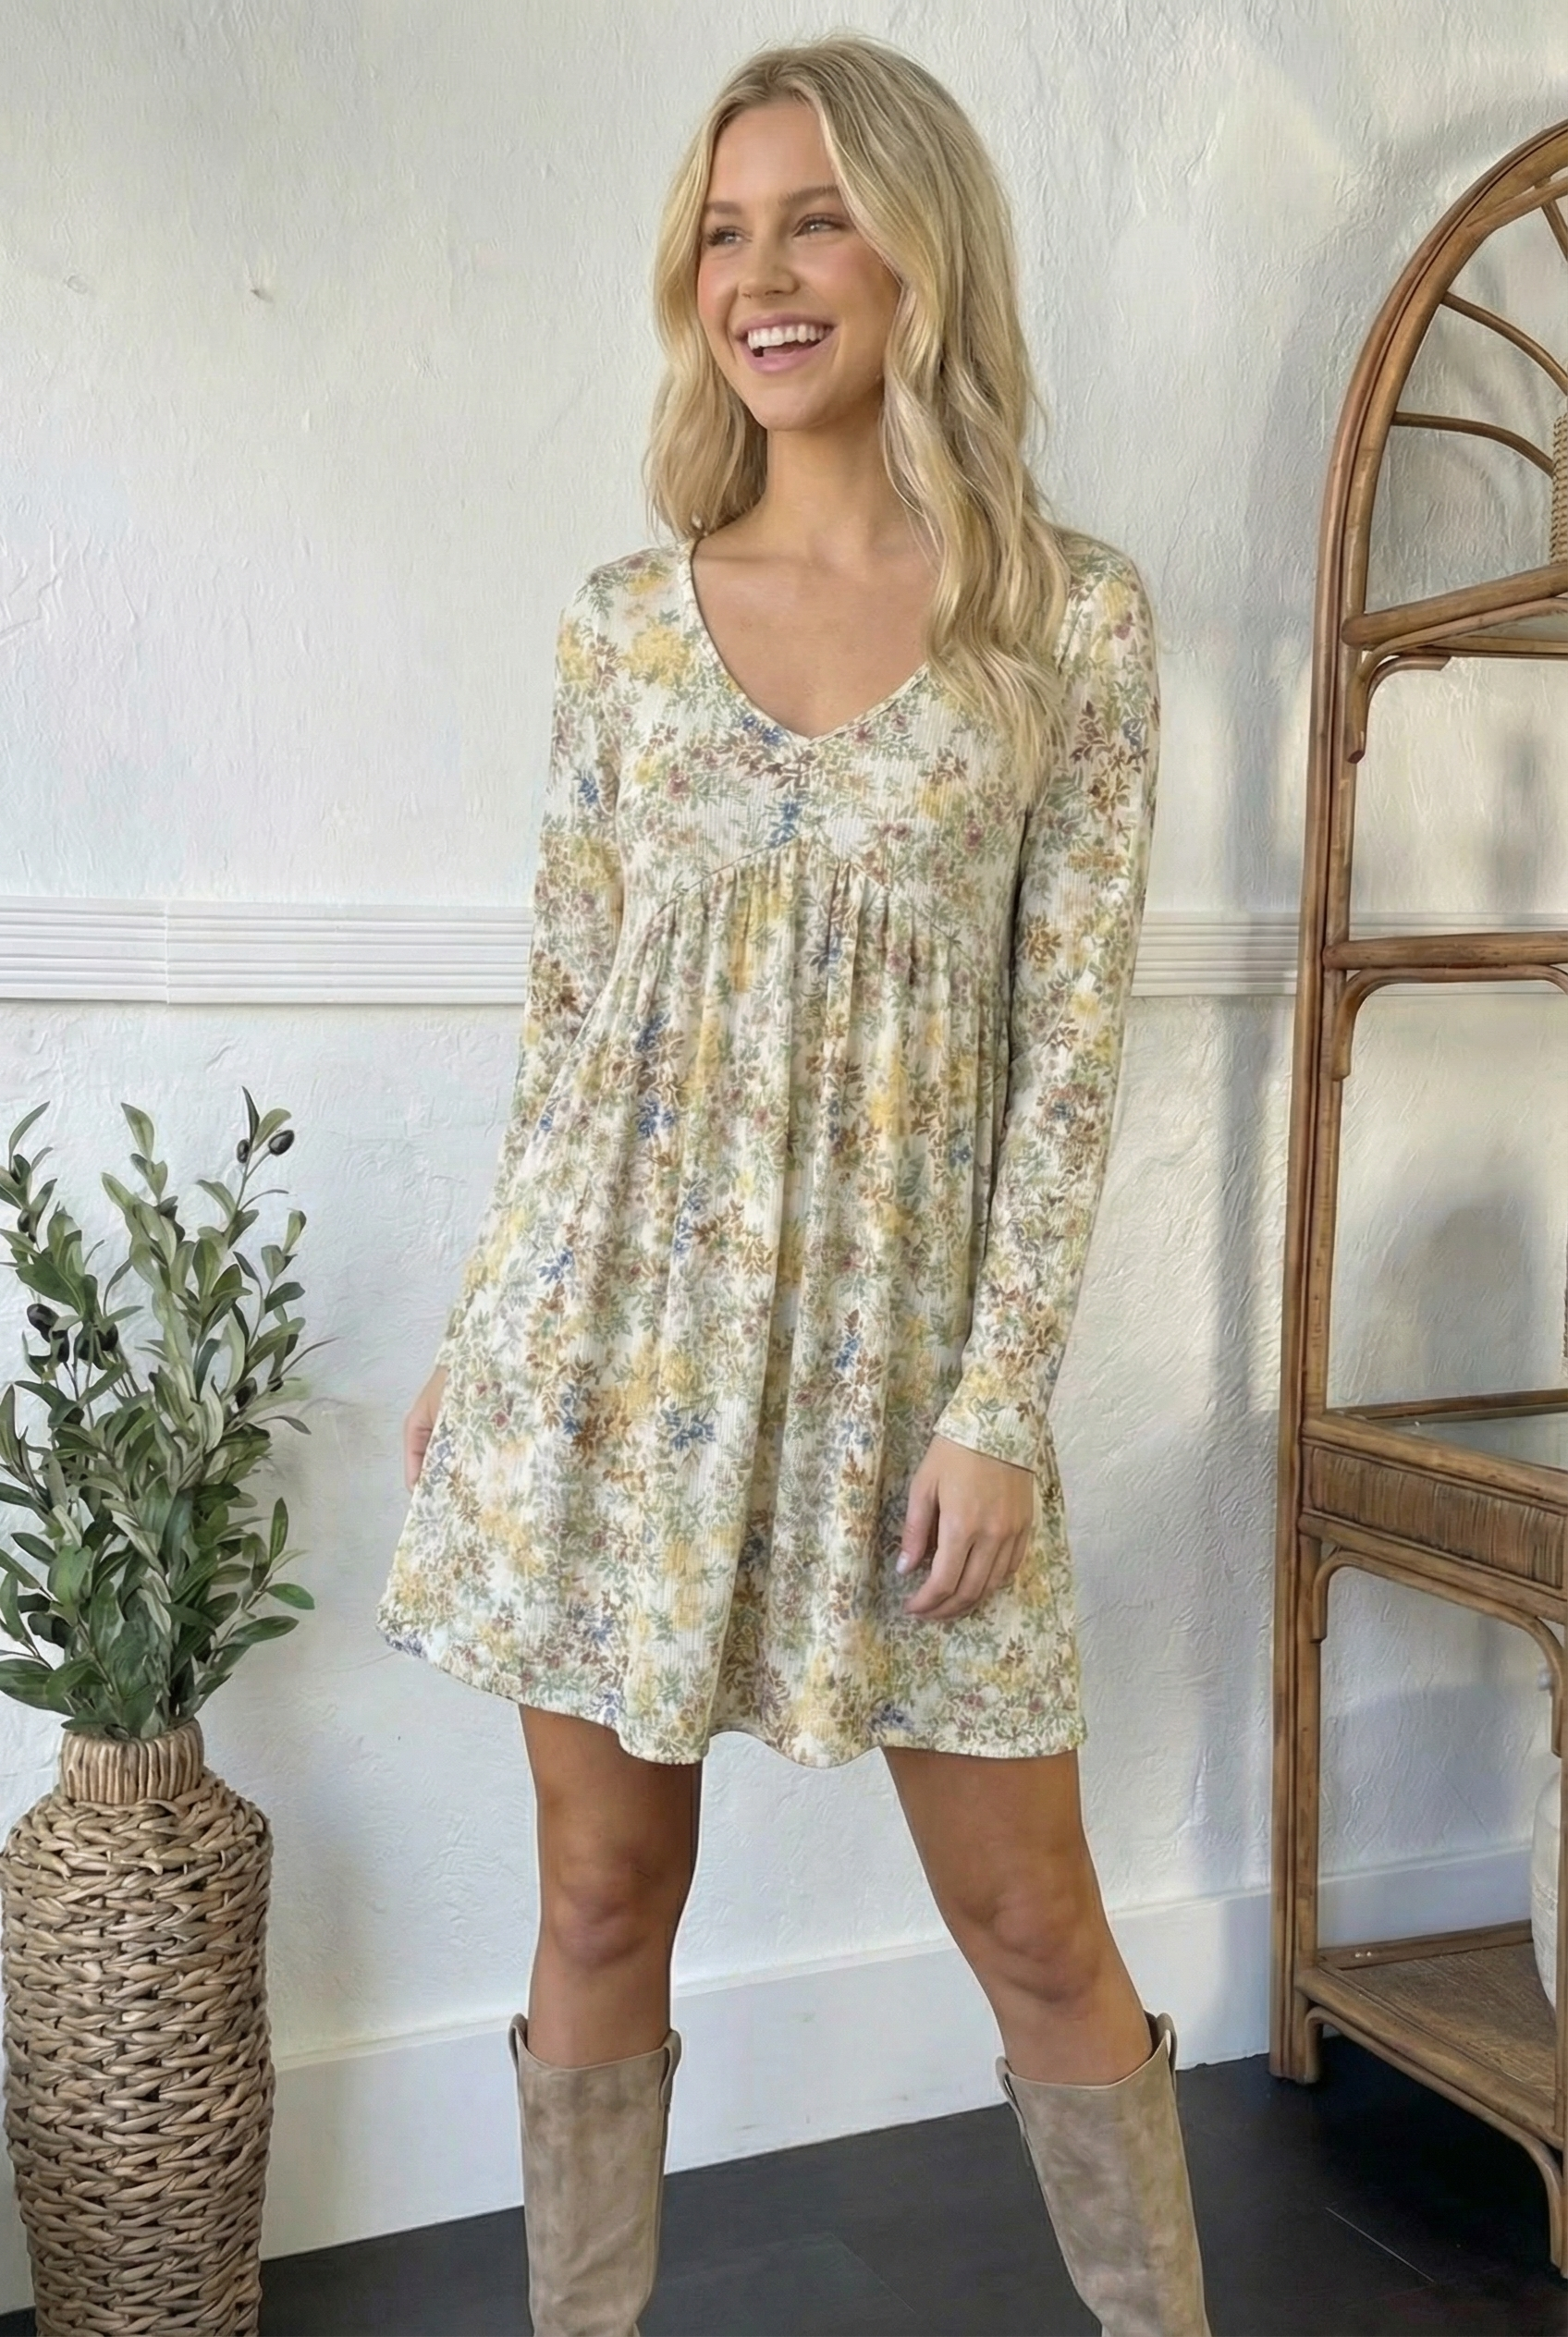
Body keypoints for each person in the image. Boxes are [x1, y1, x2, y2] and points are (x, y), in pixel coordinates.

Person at [378, 32, 1208, 2337]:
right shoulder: (619, 627)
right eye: (723, 233)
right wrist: (483, 1326)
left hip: (902, 1381)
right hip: (604, 1362)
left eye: (814, 219)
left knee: (1031, 1919)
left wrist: (994, 1405)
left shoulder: (1063, 623)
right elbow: (568, 1022)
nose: (759, 275)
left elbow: (1066, 1054)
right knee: (597, 1900)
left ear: (918, 256)